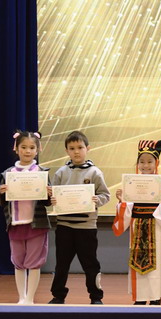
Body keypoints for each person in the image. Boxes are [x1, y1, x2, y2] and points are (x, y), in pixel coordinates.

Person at [112, 140, 161, 305]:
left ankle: (156, 297)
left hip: (155, 227)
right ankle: (140, 298)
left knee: (157, 264)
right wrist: (121, 200)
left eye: (150, 161)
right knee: (137, 264)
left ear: (157, 163)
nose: (145, 165)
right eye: (142, 162)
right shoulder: (132, 182)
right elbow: (126, 207)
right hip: (137, 226)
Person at [48, 130, 111, 305]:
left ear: (87, 148)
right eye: (72, 148)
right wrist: (53, 199)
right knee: (62, 264)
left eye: (80, 147)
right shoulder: (61, 172)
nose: (76, 151)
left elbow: (106, 195)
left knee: (90, 264)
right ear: (67, 151)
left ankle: (96, 297)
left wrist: (97, 199)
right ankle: (58, 295)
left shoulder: (95, 172)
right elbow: (53, 195)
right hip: (64, 227)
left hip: (86, 227)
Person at [0, 131, 51, 305]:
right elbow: (2, 202)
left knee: (34, 262)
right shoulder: (8, 173)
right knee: (18, 262)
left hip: (37, 225)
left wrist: (49, 193)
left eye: (32, 147)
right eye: (24, 147)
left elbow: (48, 202)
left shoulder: (42, 172)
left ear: (38, 149)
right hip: (15, 224)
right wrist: (1, 192)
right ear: (16, 148)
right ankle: (21, 297)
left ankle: (30, 298)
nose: (28, 151)